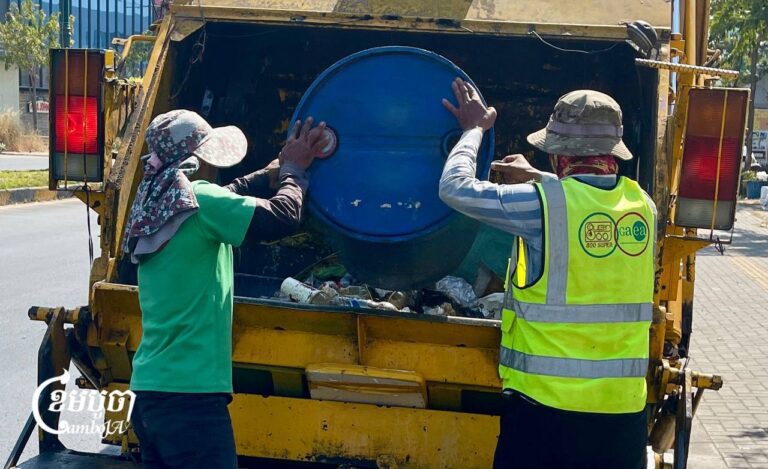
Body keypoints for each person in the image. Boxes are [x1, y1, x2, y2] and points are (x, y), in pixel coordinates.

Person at [440, 78, 655, 469]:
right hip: (623, 420)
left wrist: (474, 129)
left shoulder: (541, 207)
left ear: (557, 155)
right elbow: (585, 203)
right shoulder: (643, 206)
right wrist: (537, 178)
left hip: (547, 415)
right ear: (613, 151)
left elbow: (454, 188)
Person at [122, 110, 329, 468]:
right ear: (198, 161)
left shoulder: (155, 202)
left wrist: (268, 174)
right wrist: (294, 171)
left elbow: (222, 194)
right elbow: (282, 216)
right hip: (191, 402)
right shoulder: (201, 203)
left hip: (150, 395)